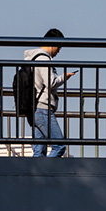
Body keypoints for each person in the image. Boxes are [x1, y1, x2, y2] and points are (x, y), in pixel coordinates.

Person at [25, 28, 76, 158]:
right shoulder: (43, 59)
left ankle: (37, 171)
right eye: (58, 47)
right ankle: (46, 169)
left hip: (34, 108)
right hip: (43, 108)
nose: (58, 51)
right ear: (53, 43)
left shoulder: (33, 58)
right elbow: (51, 82)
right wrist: (64, 77)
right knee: (59, 146)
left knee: (39, 152)